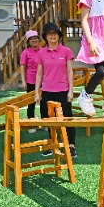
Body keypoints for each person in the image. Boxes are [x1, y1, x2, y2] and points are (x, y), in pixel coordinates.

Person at [34, 22, 77, 158]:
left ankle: (71, 145)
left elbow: (70, 71)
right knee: (49, 119)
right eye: (49, 33)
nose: (52, 36)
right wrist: (36, 92)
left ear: (59, 36)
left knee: (67, 118)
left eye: (55, 33)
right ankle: (53, 144)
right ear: (45, 37)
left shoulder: (66, 51)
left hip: (63, 90)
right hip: (47, 90)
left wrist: (71, 91)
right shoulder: (41, 52)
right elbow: (39, 73)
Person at [20, 30, 42, 133]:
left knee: (44, 103)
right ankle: (31, 124)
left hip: (44, 80)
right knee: (31, 103)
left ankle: (46, 123)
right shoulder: (26, 52)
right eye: (31, 39)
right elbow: (23, 68)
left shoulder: (43, 50)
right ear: (28, 42)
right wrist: (24, 81)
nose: (34, 40)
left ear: (39, 39)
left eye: (35, 38)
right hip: (31, 80)